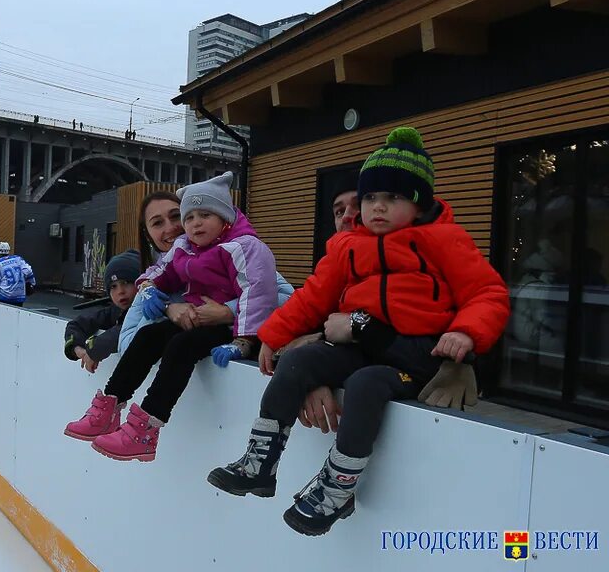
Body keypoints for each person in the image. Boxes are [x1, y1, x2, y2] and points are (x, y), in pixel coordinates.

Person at [207, 127, 511, 536]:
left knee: (368, 383)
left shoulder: (444, 240)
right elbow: (312, 297)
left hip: (417, 354)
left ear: (419, 204)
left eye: (394, 198)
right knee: (299, 360)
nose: (378, 207)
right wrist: (272, 335)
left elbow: (487, 292)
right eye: (370, 198)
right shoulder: (348, 246)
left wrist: (467, 333)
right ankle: (260, 463)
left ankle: (338, 486)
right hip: (358, 345)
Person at [65, 171, 278, 462]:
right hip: (196, 322)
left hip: (231, 329)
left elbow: (265, 293)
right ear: (147, 233)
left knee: (181, 346)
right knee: (149, 335)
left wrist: (241, 336)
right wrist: (151, 291)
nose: (192, 224)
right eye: (189, 217)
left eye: (202, 215)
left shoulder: (243, 248)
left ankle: (146, 427)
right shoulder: (187, 249)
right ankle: (109, 406)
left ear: (225, 218)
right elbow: (158, 274)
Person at [63, 250, 141, 375]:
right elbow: (77, 324)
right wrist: (77, 348)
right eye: (113, 286)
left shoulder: (148, 312)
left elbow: (125, 331)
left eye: (126, 283)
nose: (120, 291)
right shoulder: (114, 312)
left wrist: (94, 349)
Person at [0, 241, 35, 305]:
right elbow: (29, 271)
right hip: (20, 296)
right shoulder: (18, 259)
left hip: (5, 297)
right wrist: (32, 284)